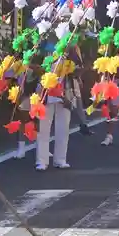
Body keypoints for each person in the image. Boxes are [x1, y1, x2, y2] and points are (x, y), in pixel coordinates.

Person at [35, 42, 83, 171]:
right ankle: (42, 161)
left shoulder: (72, 45)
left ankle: (60, 159)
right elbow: (33, 64)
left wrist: (72, 63)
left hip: (65, 92)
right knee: (43, 129)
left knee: (63, 128)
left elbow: (79, 68)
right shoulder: (43, 41)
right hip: (46, 91)